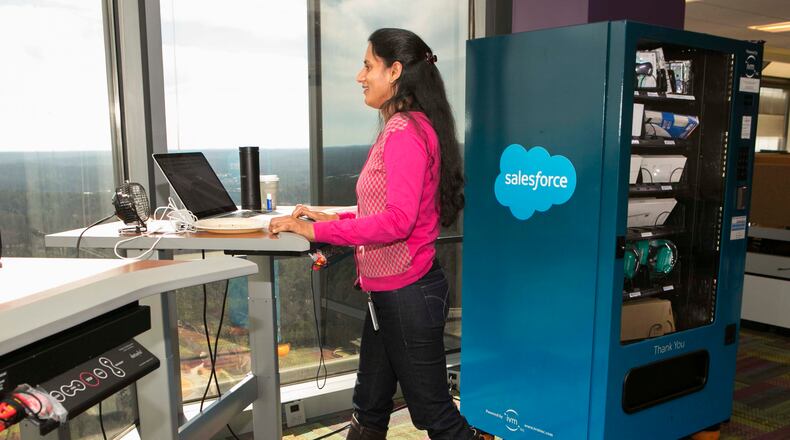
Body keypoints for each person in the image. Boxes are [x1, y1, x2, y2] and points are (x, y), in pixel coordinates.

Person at [269, 28, 491, 440]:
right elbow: (385, 207)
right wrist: (325, 217)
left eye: (367, 65)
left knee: (436, 418)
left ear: (395, 71)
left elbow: (397, 221)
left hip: (407, 297)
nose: (359, 75)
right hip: (390, 296)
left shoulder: (404, 131)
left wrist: (315, 229)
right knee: (369, 408)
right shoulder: (412, 125)